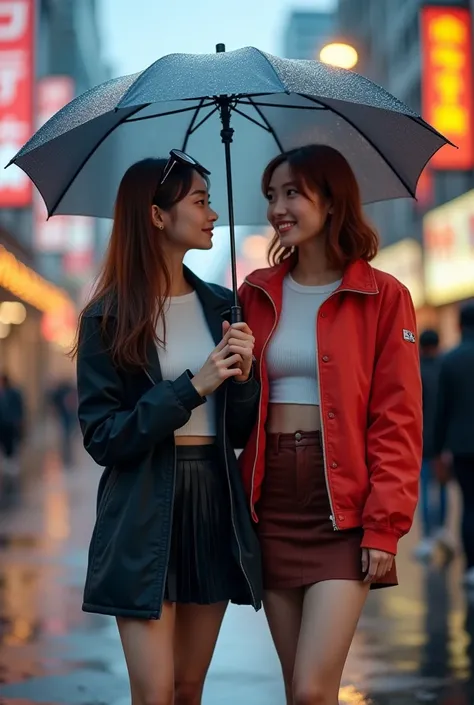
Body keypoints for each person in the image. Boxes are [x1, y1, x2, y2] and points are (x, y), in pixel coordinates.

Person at [74, 151, 262, 705]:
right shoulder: (108, 316)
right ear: (157, 215)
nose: (212, 214)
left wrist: (245, 379)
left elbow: (238, 431)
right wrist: (191, 386)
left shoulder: (224, 307)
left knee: (187, 688)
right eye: (200, 202)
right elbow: (104, 437)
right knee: (153, 693)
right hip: (140, 509)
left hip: (211, 498)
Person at [238, 144, 422, 705]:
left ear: (331, 199)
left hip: (340, 505)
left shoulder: (383, 295)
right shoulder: (254, 294)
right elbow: (236, 411)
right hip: (271, 502)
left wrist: (384, 525)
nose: (277, 208)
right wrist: (233, 368)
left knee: (316, 689)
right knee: (297, 691)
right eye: (271, 195)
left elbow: (398, 418)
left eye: (292, 192)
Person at [434, 302, 474, 588]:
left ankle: (472, 566)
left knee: (469, 506)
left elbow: (441, 411)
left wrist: (436, 452)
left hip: (461, 446)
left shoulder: (449, 360)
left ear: (459, 326)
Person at [414, 329, 453, 560]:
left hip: (422, 441)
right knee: (443, 487)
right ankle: (443, 531)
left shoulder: (415, 369)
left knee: (425, 489)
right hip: (445, 440)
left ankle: (428, 537)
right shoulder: (446, 368)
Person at [0, 373, 25, 481]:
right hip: (2, 423)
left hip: (11, 423)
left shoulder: (14, 393)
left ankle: (11, 462)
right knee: (4, 442)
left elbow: (19, 407)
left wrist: (19, 420)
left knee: (12, 442)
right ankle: (7, 461)